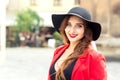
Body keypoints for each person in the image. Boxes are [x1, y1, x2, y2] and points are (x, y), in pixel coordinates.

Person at [48, 7, 107, 80]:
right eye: (69, 24)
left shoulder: (94, 58)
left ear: (86, 30)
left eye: (79, 26)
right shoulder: (58, 51)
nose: (72, 31)